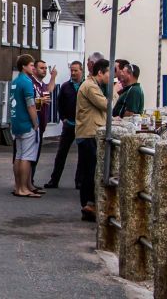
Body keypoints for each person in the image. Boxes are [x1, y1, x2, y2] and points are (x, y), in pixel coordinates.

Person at [75, 58, 113, 221]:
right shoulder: (90, 86)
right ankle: (88, 205)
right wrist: (115, 90)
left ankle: (88, 204)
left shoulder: (91, 85)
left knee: (89, 170)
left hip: (88, 131)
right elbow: (107, 105)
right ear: (100, 73)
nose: (111, 77)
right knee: (90, 171)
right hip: (89, 133)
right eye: (109, 73)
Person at [44, 60, 83, 189]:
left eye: (75, 70)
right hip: (69, 124)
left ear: (81, 71)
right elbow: (59, 104)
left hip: (82, 125)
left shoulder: (86, 86)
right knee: (61, 153)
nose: (73, 73)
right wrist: (63, 118)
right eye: (71, 70)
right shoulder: (66, 86)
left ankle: (79, 181)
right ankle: (54, 180)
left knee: (82, 155)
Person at [10, 54, 41, 198]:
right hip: (26, 123)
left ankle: (18, 187)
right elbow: (30, 104)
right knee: (27, 157)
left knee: (19, 155)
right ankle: (23, 188)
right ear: (23, 66)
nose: (33, 68)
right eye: (31, 65)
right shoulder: (27, 82)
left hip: (16, 122)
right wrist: (35, 123)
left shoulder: (15, 81)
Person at [30, 59, 57, 185]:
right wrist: (41, 101)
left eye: (45, 68)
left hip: (41, 125)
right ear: (34, 69)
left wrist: (53, 77)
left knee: (36, 155)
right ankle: (27, 182)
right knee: (29, 156)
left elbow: (49, 90)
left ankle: (30, 181)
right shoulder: (31, 83)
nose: (44, 70)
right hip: (32, 125)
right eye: (42, 68)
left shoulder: (41, 84)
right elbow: (28, 103)